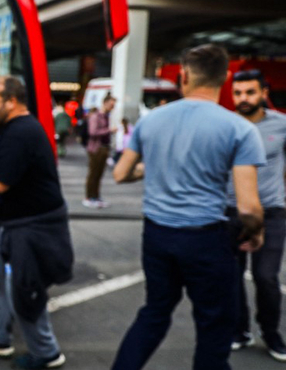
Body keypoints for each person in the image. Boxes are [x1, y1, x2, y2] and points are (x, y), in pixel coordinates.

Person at [111, 44, 266, 370]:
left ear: (183, 77)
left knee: (154, 313)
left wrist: (159, 166)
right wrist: (255, 233)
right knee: (214, 324)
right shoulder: (239, 129)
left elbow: (121, 173)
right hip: (205, 238)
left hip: (156, 235)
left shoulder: (150, 120)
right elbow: (249, 207)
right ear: (224, 80)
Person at [0, 76, 72, 370]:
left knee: (25, 289)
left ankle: (47, 353)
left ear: (11, 101)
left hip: (33, 227)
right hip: (16, 224)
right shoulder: (15, 128)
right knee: (2, 281)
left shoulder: (20, 132)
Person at [226, 69, 286, 361]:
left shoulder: (283, 125)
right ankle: (239, 330)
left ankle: (271, 332)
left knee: (266, 277)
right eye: (238, 93)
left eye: (250, 92)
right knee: (231, 276)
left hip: (271, 213)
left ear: (264, 92)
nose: (243, 98)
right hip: (230, 211)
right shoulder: (226, 125)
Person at [83, 94, 117, 209]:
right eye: (111, 104)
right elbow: (92, 132)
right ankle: (89, 197)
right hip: (96, 148)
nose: (113, 107)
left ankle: (96, 196)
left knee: (99, 174)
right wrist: (109, 130)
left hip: (103, 148)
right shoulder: (96, 116)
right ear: (105, 103)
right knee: (93, 174)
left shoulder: (106, 116)